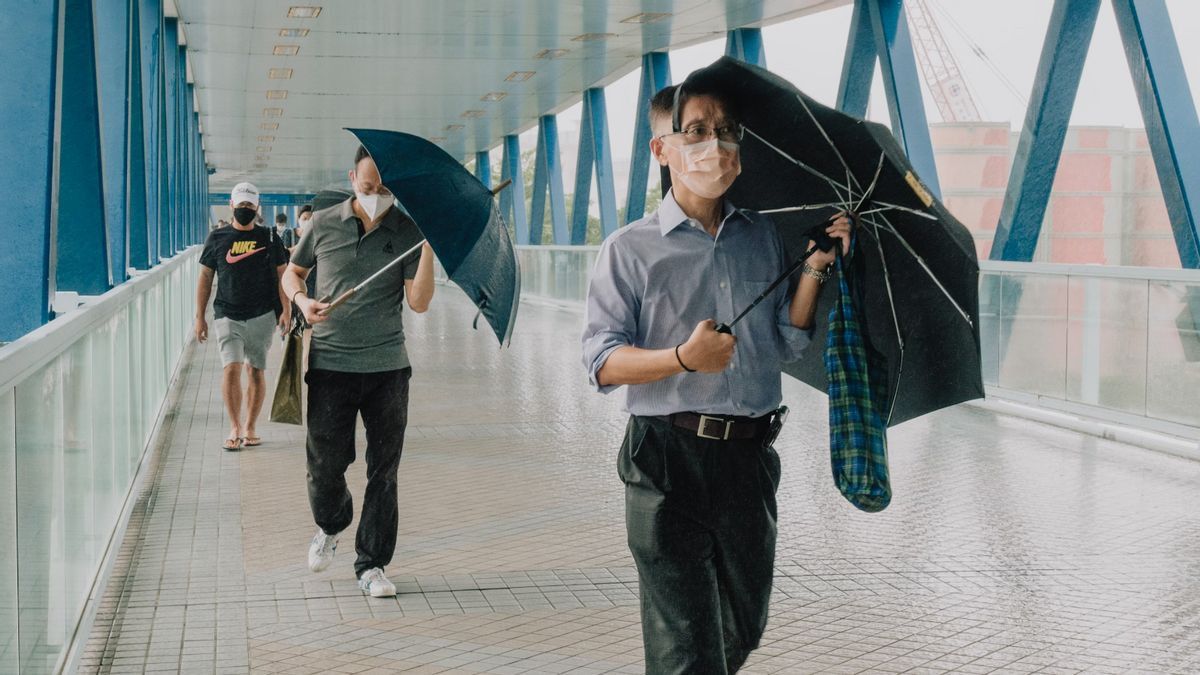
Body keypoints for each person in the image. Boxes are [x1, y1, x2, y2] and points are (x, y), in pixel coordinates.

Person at [580, 83, 852, 674]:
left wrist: (813, 269)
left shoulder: (760, 237)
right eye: (697, 131)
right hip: (665, 458)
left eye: (727, 131)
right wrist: (682, 357)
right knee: (686, 647)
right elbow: (601, 361)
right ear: (661, 149)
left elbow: (784, 341)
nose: (716, 144)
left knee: (743, 624)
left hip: (749, 461)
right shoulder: (629, 250)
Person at [281, 145, 436, 598]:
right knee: (325, 466)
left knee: (383, 472)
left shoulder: (408, 231)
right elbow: (292, 272)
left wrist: (428, 248)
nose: (376, 195)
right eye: (369, 187)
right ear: (353, 178)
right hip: (330, 365)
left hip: (389, 368)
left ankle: (371, 564)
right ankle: (330, 525)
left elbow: (419, 302)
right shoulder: (323, 224)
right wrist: (301, 300)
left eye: (385, 189)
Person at [195, 182, 291, 451]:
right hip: (227, 313)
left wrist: (286, 309)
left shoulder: (270, 238)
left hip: (262, 314)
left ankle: (250, 426)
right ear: (231, 205)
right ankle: (235, 426)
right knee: (232, 367)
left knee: (255, 370)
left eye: (250, 205)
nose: (245, 209)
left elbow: (284, 274)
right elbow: (205, 277)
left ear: (257, 207)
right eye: (241, 205)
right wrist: (199, 316)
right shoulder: (217, 238)